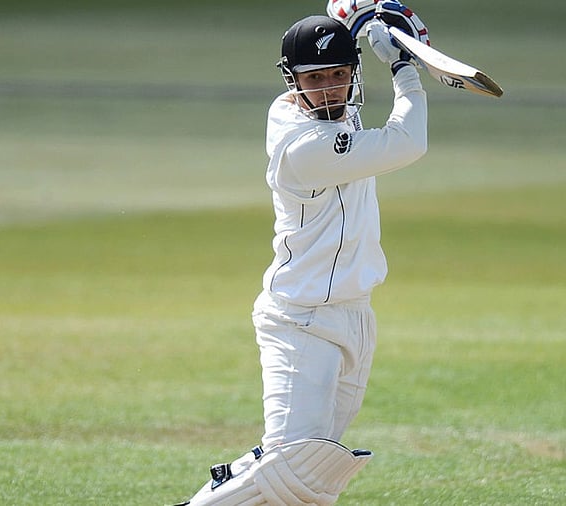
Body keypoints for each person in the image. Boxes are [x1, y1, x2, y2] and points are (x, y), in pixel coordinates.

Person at [176, 2, 428, 504]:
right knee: (297, 467)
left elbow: (333, 49)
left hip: (356, 314)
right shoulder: (303, 147)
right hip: (302, 321)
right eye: (316, 79)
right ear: (293, 82)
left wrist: (361, 20)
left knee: (312, 473)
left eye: (340, 74)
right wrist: (404, 68)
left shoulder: (331, 109)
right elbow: (408, 142)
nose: (331, 88)